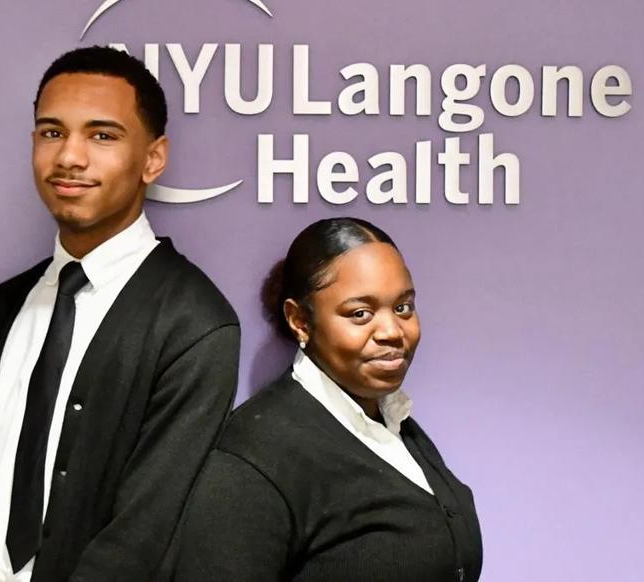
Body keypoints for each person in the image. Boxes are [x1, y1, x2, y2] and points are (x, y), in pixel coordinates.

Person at [0, 46, 240, 582]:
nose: (70, 156)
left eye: (102, 136)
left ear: (153, 158)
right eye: (52, 132)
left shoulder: (195, 325)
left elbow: (143, 534)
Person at [167, 217, 482, 581]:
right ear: (300, 320)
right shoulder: (254, 459)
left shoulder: (396, 425)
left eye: (403, 308)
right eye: (360, 314)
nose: (392, 331)